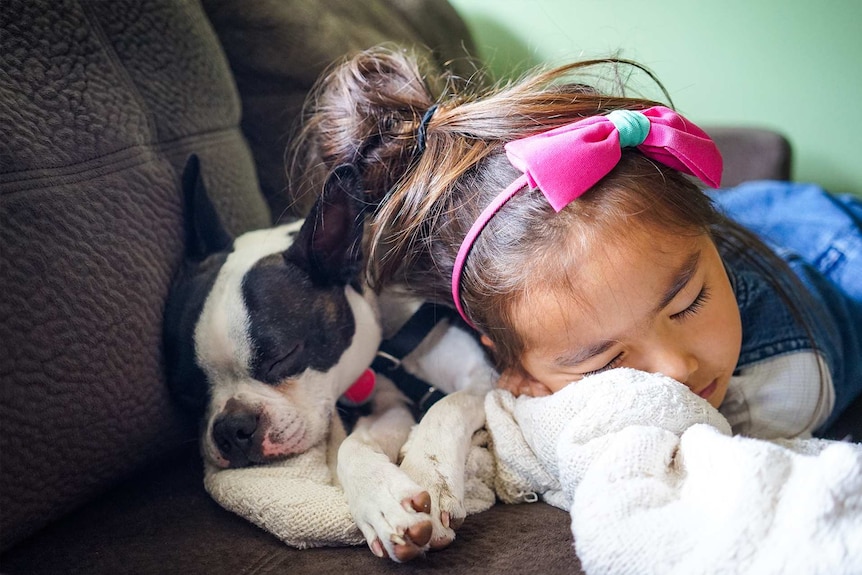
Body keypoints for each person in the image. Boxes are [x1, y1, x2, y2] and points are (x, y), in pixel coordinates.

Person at [290, 46, 862, 440]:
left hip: (829, 241)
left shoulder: (788, 381)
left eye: (690, 302)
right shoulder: (510, 302)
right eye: (605, 361)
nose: (676, 367)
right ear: (511, 363)